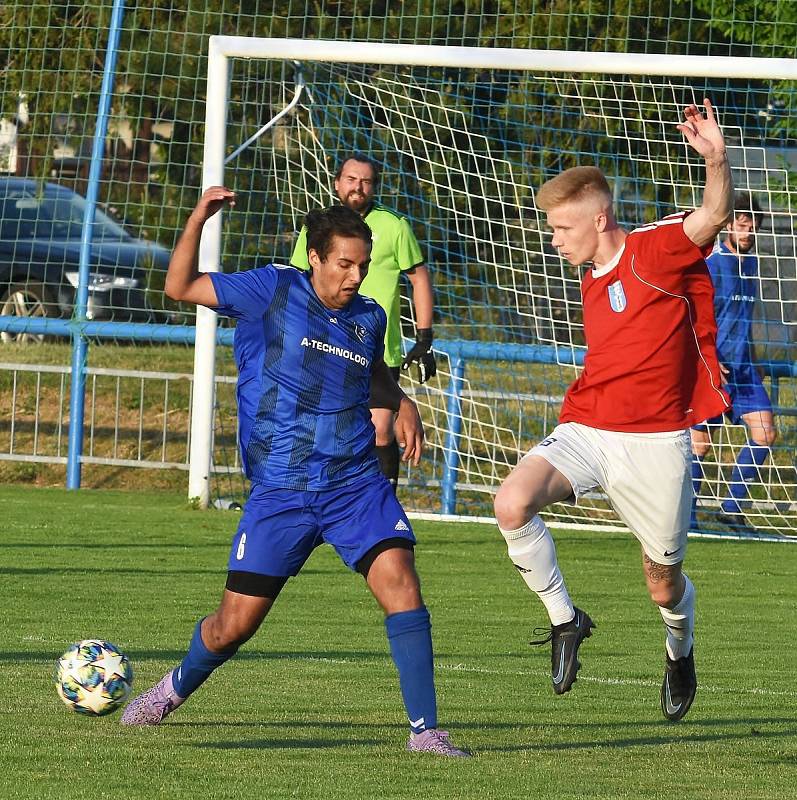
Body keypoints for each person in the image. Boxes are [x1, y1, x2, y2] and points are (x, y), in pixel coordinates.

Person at [121, 190, 468, 758]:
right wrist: (196, 220)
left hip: (353, 482)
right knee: (233, 626)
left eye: (363, 264)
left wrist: (400, 400)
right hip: (281, 488)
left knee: (402, 583)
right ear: (316, 257)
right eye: (345, 264)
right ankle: (170, 690)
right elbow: (178, 288)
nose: (356, 276)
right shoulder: (272, 290)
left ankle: (426, 732)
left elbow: (371, 374)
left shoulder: (368, 317)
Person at [493, 100, 733, 722]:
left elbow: (711, 216)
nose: (553, 240)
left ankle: (679, 654)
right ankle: (567, 621)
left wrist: (716, 160)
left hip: (655, 444)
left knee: (664, 583)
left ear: (599, 220)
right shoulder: (591, 270)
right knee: (511, 502)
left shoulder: (651, 253)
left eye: (561, 230)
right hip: (587, 428)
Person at [291, 154, 436, 493]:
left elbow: (418, 278)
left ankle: (383, 503)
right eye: (352, 179)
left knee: (381, 428)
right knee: (323, 429)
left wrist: (425, 335)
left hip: (377, 348)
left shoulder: (394, 226)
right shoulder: (317, 228)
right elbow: (298, 280)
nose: (358, 187)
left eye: (366, 181)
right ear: (337, 183)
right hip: (323, 344)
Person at [690, 192, 776, 533]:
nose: (748, 230)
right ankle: (688, 519)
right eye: (742, 223)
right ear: (728, 224)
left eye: (753, 225)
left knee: (765, 433)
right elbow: (691, 316)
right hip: (712, 368)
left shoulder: (751, 263)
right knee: (699, 445)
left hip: (743, 370)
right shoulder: (711, 262)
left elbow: (742, 316)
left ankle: (732, 511)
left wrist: (753, 359)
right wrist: (706, 360)